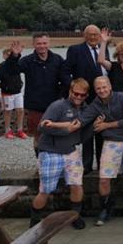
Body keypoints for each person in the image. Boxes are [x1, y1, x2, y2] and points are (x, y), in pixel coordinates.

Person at [78, 76, 123, 226]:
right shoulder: (96, 104)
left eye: (104, 87)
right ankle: (105, 208)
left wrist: (107, 125)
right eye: (98, 88)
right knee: (104, 178)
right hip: (111, 142)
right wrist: (62, 124)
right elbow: (82, 120)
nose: (102, 90)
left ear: (110, 86)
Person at [29, 78, 88, 229]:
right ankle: (35, 220)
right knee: (45, 190)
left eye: (82, 95)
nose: (79, 97)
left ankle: (75, 215)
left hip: (71, 151)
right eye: (76, 93)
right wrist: (67, 130)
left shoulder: (84, 109)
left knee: (76, 185)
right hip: (50, 151)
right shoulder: (57, 106)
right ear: (70, 91)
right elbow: (42, 127)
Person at [5, 35, 70, 154]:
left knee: (58, 135)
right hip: (35, 106)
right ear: (34, 45)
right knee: (38, 137)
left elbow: (66, 80)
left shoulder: (57, 59)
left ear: (49, 43)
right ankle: (41, 165)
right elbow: (11, 71)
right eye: (39, 43)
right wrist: (14, 56)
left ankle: (57, 164)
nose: (42, 46)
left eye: (44, 43)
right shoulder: (28, 60)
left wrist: (64, 96)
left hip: (55, 105)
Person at [65, 24, 110, 173]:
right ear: (84, 36)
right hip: (85, 100)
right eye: (90, 34)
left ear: (99, 36)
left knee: (102, 133)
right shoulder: (75, 50)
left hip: (103, 99)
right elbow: (66, 73)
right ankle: (87, 167)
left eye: (95, 35)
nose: (93, 37)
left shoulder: (105, 49)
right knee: (87, 135)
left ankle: (102, 165)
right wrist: (75, 91)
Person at [0, 47, 27, 139]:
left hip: (18, 91)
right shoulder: (0, 66)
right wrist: (3, 86)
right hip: (7, 93)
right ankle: (7, 130)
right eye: (8, 54)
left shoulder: (16, 64)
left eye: (11, 54)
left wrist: (20, 84)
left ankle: (20, 130)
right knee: (7, 111)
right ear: (4, 56)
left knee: (20, 110)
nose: (9, 56)